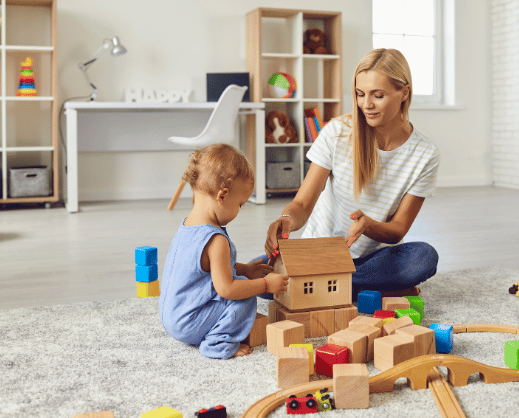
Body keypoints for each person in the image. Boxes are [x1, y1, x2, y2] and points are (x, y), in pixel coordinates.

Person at [262, 48, 440, 298]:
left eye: (378, 95)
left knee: (424, 257)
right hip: (320, 253)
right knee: (258, 273)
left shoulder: (425, 154)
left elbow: (398, 229)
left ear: (404, 92)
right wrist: (286, 220)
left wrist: (369, 226)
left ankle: (326, 287)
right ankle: (368, 289)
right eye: (360, 94)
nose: (366, 105)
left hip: (371, 262)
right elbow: (302, 203)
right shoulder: (337, 132)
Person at [159, 143, 289, 359]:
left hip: (171, 317)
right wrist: (265, 284)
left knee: (241, 282)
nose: (239, 210)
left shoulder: (187, 226)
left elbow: (206, 266)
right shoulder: (216, 239)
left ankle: (210, 332)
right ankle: (218, 344)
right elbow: (227, 289)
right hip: (189, 324)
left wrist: (245, 269)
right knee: (245, 299)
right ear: (222, 196)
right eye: (240, 204)